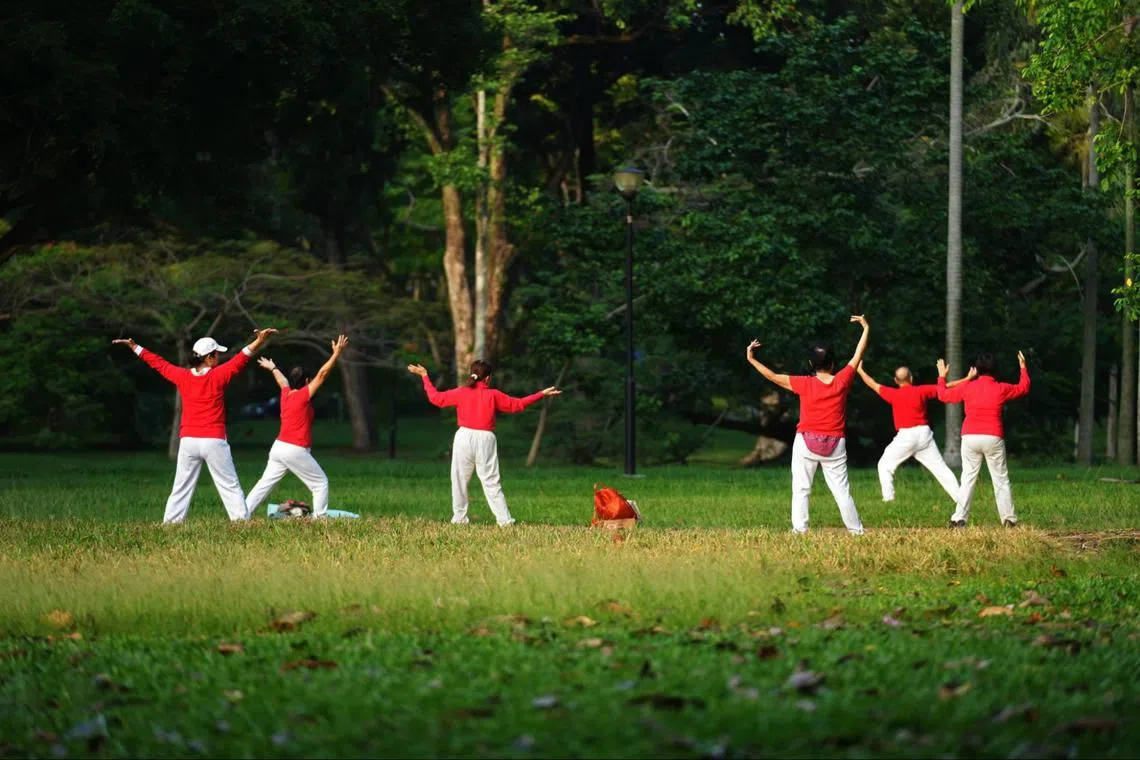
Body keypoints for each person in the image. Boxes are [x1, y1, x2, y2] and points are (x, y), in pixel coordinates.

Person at [112, 328, 278, 523]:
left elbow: (159, 364)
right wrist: (259, 341)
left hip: (189, 440)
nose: (219, 357)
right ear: (209, 358)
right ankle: (240, 521)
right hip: (213, 440)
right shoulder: (218, 375)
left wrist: (135, 347)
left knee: (181, 485)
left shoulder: (182, 376)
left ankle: (171, 523)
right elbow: (242, 357)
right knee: (229, 484)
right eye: (216, 354)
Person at [746, 316, 871, 535]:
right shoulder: (842, 381)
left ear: (812, 364)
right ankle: (857, 531)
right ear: (832, 364)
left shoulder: (804, 383)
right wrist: (866, 328)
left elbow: (773, 376)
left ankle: (800, 530)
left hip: (806, 441)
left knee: (801, 488)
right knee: (842, 491)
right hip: (835, 444)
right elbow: (857, 355)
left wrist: (751, 358)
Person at [407, 360, 561, 526]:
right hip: (486, 439)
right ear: (488, 378)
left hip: (463, 436)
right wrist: (541, 394)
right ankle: (505, 520)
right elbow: (518, 405)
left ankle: (459, 519)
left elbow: (436, 398)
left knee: (459, 479)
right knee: (491, 481)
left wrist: (425, 376)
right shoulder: (493, 394)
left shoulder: (462, 392)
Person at [244, 334, 348, 519]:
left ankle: (241, 516)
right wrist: (336, 354)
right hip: (294, 449)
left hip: (279, 448)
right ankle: (320, 519)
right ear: (307, 381)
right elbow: (322, 374)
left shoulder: (286, 394)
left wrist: (273, 367)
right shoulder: (302, 396)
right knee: (320, 483)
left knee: (264, 484)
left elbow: (282, 381)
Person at [856, 362, 975, 503]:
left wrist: (860, 370)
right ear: (911, 378)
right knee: (941, 470)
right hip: (924, 435)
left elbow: (872, 384)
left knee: (884, 465)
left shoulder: (893, 394)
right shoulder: (921, 390)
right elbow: (945, 387)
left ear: (895, 381)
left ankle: (888, 499)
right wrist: (967, 379)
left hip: (906, 437)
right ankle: (961, 500)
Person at [936, 351, 1030, 527]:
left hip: (970, 436)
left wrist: (942, 377)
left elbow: (942, 395)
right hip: (993, 436)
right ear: (995, 370)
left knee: (968, 478)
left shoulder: (968, 387)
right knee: (1000, 479)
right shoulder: (1001, 388)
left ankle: (959, 519)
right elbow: (1023, 387)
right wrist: (1023, 367)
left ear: (977, 369)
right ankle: (1009, 519)